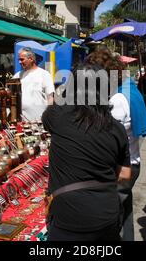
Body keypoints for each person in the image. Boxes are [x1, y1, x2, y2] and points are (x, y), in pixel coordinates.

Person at [42, 63, 131, 241]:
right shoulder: (117, 128)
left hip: (67, 214)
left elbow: (51, 110)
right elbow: (125, 175)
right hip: (106, 212)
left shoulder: (55, 116)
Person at [85, 49, 146, 241]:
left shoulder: (117, 99)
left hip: (121, 167)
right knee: (124, 214)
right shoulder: (126, 90)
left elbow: (105, 140)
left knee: (111, 221)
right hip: (130, 163)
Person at [13, 47, 55, 121]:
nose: (19, 62)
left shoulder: (44, 74)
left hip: (40, 121)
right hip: (22, 122)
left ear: (31, 59)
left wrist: (49, 117)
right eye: (18, 60)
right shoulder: (17, 76)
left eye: (22, 59)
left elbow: (50, 98)